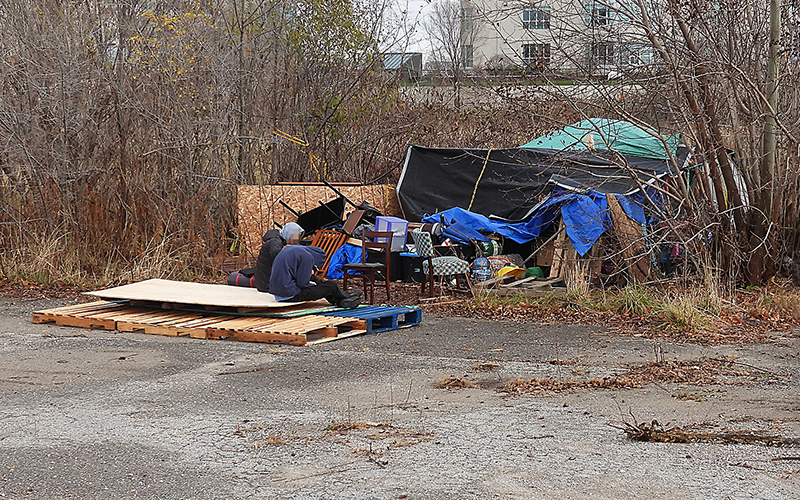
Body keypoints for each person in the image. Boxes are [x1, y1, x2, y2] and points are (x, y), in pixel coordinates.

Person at [269, 245, 362, 308]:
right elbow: (302, 284)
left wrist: (311, 281)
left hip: (278, 293)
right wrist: (310, 285)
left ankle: (340, 297)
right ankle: (342, 299)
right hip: (289, 294)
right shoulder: (307, 257)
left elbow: (296, 274)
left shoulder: (293, 250)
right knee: (331, 286)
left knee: (314, 279)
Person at [225, 222, 304, 291]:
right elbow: (277, 254)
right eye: (294, 237)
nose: (295, 241)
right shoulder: (275, 242)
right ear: (289, 234)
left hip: (267, 280)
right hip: (267, 284)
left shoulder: (277, 240)